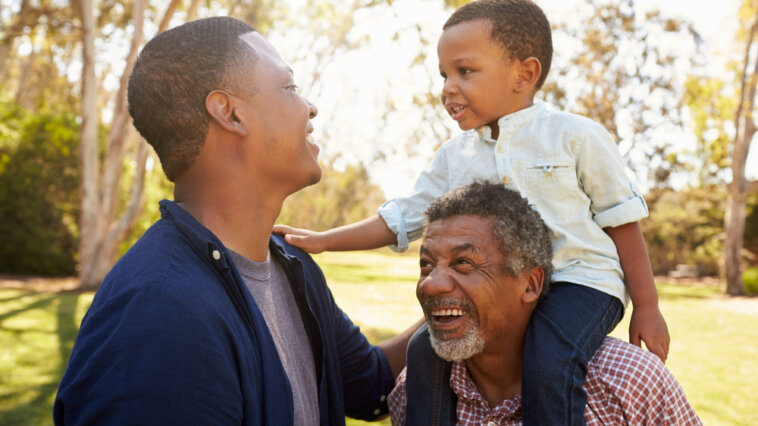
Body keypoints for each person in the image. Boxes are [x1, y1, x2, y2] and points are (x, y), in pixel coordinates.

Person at [274, 0, 669, 423]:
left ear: (525, 74)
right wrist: (324, 241)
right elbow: (402, 218)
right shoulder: (453, 157)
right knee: (422, 351)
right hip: (497, 293)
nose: (448, 87)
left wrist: (646, 306)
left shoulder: (575, 137)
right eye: (444, 74)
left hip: (579, 284)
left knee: (551, 358)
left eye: (465, 71)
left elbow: (622, 222)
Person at [54, 17, 418, 426]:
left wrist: (465, 303)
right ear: (230, 113)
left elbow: (371, 385)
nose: (311, 107)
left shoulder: (292, 266)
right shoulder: (160, 313)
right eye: (290, 88)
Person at [387, 181, 701, 425]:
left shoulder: (629, 382)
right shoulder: (413, 391)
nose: (430, 284)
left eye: (464, 263)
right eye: (426, 266)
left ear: (531, 283)